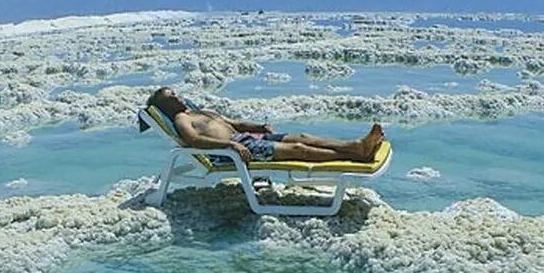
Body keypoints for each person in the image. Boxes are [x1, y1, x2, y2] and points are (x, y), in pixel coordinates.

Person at [140, 86, 386, 164]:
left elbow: (234, 122)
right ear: (167, 106)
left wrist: (258, 127)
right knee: (298, 150)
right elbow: (193, 141)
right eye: (172, 97)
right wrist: (230, 145)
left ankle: (355, 146)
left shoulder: (199, 110)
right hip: (232, 149)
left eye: (176, 93)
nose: (179, 97)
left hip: (247, 139)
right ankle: (357, 154)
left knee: (301, 136)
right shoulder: (183, 119)